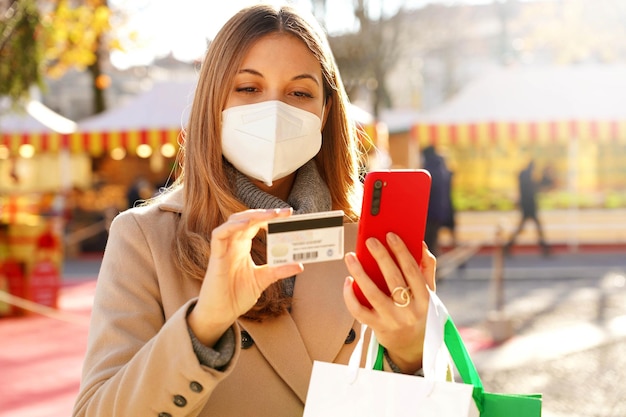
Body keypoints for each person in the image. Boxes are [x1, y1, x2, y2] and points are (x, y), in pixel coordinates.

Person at [72, 4, 437, 417]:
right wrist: (203, 326)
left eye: (300, 93)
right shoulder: (145, 238)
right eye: (248, 88)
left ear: (325, 114)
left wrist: (413, 355)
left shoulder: (367, 237)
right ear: (213, 102)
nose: (275, 111)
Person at [504, 159, 550, 256]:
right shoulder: (526, 177)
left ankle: (508, 246)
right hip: (528, 206)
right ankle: (544, 248)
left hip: (528, 206)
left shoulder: (526, 177)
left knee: (533, 228)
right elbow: (532, 189)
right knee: (535, 228)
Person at [422, 145, 453, 257]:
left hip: (429, 212)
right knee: (433, 241)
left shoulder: (428, 169)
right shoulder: (442, 168)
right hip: (440, 211)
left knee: (427, 244)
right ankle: (435, 266)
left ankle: (433, 268)